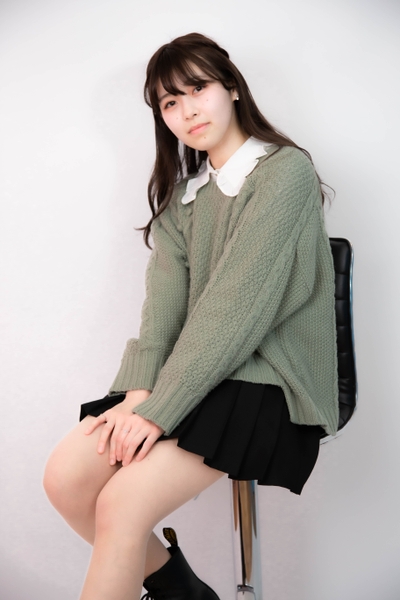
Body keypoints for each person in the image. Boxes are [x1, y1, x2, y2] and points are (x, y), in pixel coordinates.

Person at [43, 32, 339, 600]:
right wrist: (137, 397)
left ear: (232, 88)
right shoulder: (184, 201)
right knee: (66, 478)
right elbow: (162, 316)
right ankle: (184, 593)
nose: (186, 111)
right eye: (169, 102)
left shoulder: (284, 172)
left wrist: (159, 411)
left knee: (122, 503)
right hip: (200, 374)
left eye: (197, 88)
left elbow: (235, 308)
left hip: (272, 381)